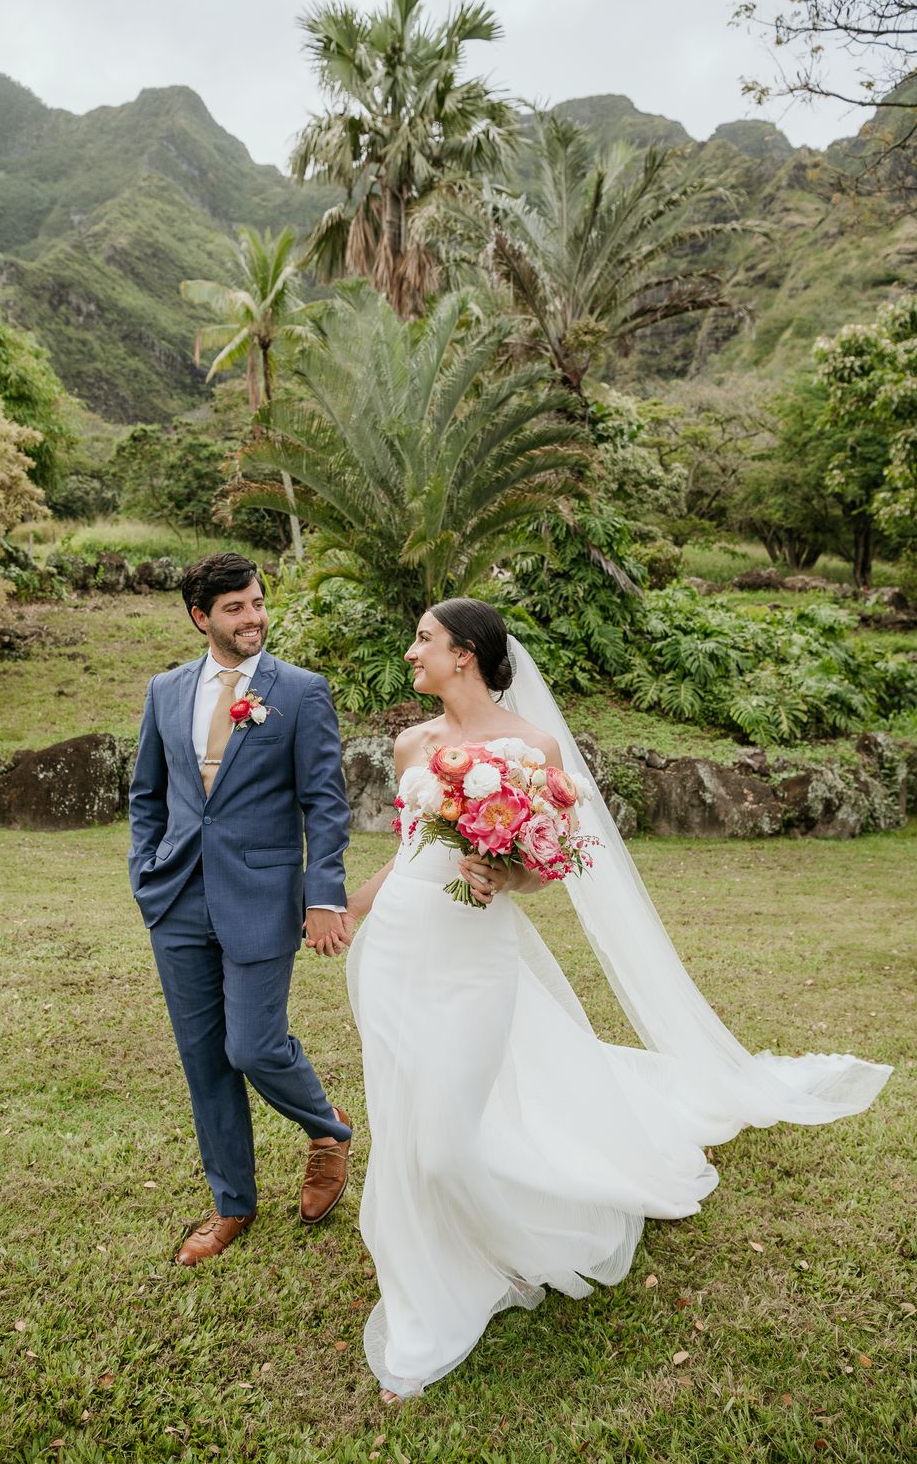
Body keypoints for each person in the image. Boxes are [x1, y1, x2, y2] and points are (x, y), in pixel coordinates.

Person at [331, 598, 891, 1402]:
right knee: (405, 1120)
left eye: (424, 638)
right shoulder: (412, 742)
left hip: (475, 956)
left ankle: (513, 1251)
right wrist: (351, 908)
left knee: (445, 1144)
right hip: (397, 952)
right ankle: (429, 1279)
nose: (410, 650)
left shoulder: (531, 748)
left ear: (466, 655)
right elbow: (410, 847)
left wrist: (504, 872)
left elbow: (550, 864)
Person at [128, 553, 354, 1266]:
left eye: (256, 603)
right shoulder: (166, 689)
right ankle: (233, 1203)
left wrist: (323, 896)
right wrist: (146, 876)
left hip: (261, 893)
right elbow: (148, 795)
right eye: (235, 608)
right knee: (205, 1062)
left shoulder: (301, 691)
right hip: (177, 897)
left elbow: (326, 801)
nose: (253, 617)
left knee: (253, 1045)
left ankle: (329, 1129)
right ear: (202, 617)